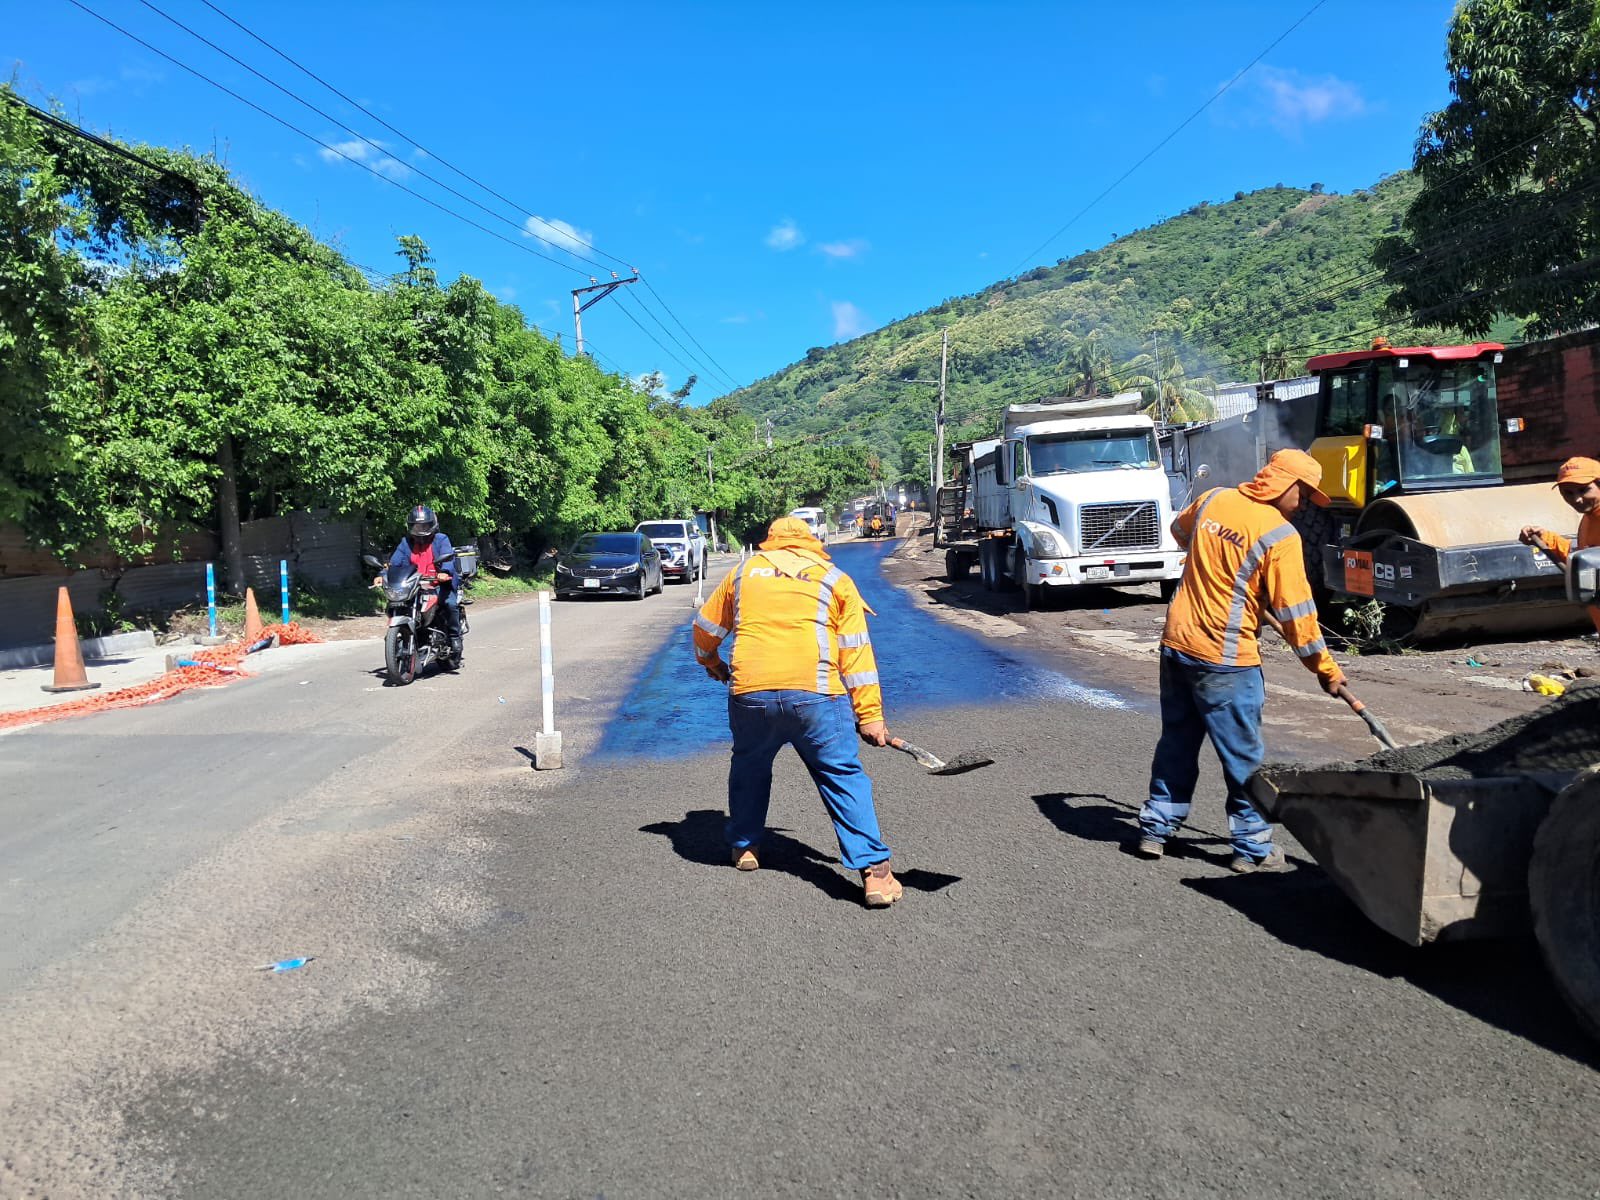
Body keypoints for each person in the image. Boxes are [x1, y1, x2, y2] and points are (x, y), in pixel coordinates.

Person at [1136, 449, 1348, 872]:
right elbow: (1298, 616)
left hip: (1178, 644)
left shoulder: (1213, 499)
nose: (1304, 504)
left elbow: (1180, 531)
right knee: (1243, 757)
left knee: (1177, 740)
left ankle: (1155, 829)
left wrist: (1217, 561)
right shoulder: (1279, 534)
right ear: (1285, 484)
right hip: (1225, 658)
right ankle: (1251, 849)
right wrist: (1326, 670)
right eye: (1304, 494)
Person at [692, 515, 902, 908]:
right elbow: (856, 655)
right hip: (816, 697)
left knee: (750, 766)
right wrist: (870, 716)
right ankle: (875, 874)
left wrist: (711, 662)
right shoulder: (834, 579)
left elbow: (705, 628)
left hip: (751, 694)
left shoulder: (744, 573)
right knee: (841, 776)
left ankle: (745, 847)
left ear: (770, 542)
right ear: (811, 542)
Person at [374, 504, 463, 667]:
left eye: (424, 525)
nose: (420, 529)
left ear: (432, 525)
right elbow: (394, 563)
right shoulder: (406, 543)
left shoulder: (441, 539)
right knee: (397, 605)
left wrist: (444, 572)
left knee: (450, 604)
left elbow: (448, 558)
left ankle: (455, 638)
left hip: (438, 583)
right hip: (415, 585)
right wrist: (382, 575)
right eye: (416, 526)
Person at [1519, 456, 1600, 635]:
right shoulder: (1589, 519)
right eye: (1568, 493)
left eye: (1584, 490)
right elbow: (1583, 560)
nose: (1577, 499)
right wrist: (1544, 538)